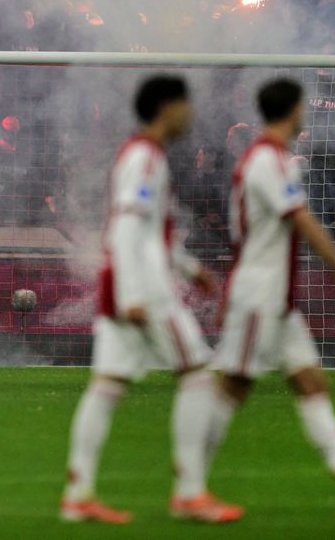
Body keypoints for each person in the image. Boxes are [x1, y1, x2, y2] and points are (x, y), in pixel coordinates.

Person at [205, 78, 335, 517]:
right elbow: (301, 220)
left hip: (274, 295)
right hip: (261, 294)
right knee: (231, 388)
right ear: (293, 110)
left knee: (310, 381)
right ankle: (188, 483)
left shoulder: (267, 158)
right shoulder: (268, 159)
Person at [61, 75, 240, 524]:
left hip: (128, 284)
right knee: (198, 376)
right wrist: (133, 295)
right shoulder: (144, 158)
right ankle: (190, 492)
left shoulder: (143, 155)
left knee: (107, 386)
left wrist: (189, 268)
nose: (190, 114)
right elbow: (125, 229)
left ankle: (78, 494)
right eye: (185, 105)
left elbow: (146, 233)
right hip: (145, 292)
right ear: (167, 108)